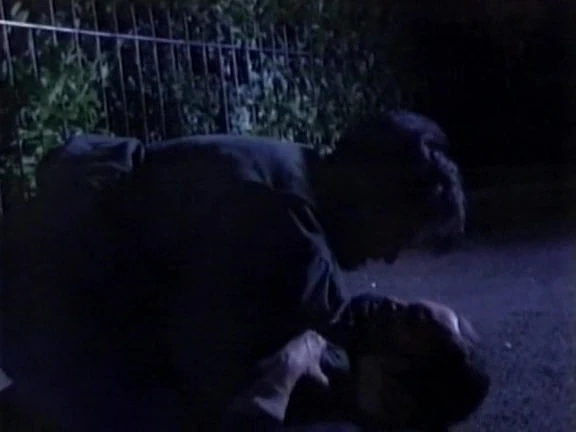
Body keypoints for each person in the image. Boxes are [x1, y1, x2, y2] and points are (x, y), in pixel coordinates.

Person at [0, 111, 488, 430]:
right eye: (399, 234)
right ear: (376, 196)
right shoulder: (295, 236)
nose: (391, 257)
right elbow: (242, 373)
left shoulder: (292, 167)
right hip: (47, 308)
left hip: (43, 269)